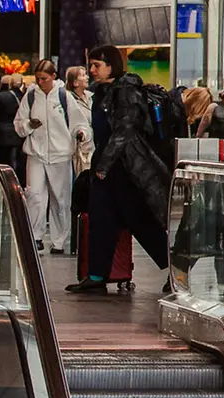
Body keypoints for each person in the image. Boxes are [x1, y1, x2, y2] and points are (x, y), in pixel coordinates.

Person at [67, 44, 172, 294]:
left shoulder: (126, 91)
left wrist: (103, 165)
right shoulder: (102, 91)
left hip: (126, 168)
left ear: (112, 65)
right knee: (101, 220)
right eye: (90, 65)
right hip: (106, 165)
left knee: (141, 221)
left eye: (97, 65)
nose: (92, 70)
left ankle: (177, 269)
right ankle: (96, 274)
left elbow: (124, 131)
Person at [15, 60, 82, 254]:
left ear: (53, 77)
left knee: (60, 199)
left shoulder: (65, 97)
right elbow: (18, 124)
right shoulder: (30, 96)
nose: (40, 82)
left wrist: (81, 134)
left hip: (60, 154)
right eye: (37, 78)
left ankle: (59, 240)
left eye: (43, 78)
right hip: (36, 153)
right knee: (34, 195)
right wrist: (28, 125)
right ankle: (35, 236)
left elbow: (78, 122)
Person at [0, 73, 25, 172]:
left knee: (2, 160)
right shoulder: (25, 97)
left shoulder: (2, 96)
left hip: (1, 133)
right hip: (17, 133)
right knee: (16, 159)